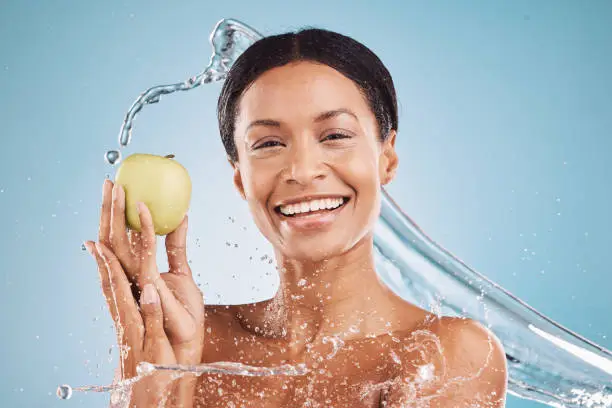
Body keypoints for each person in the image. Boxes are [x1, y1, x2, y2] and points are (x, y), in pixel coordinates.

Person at [84, 27, 508, 407]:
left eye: (335, 136)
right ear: (239, 178)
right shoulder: (190, 338)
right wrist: (153, 381)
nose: (303, 171)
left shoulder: (445, 354)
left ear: (387, 158)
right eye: (268, 143)